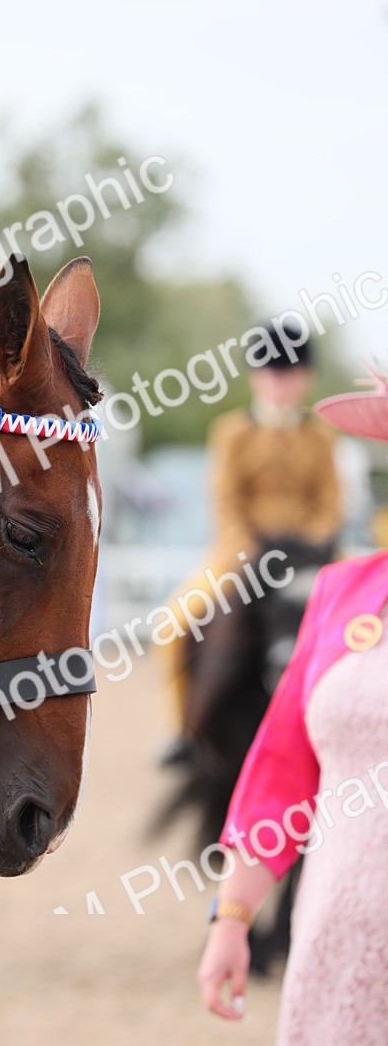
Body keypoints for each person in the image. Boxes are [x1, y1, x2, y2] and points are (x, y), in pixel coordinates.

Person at [197, 362, 388, 1046]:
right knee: (189, 620)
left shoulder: (312, 448)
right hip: (338, 944)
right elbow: (282, 766)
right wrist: (232, 920)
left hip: (309, 538)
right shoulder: (347, 593)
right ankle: (189, 726)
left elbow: (326, 505)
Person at [160, 324, 341, 763]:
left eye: (290, 373)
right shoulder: (232, 433)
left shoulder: (322, 436)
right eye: (273, 373)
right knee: (173, 624)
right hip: (244, 551)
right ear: (256, 377)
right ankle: (184, 729)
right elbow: (227, 500)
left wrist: (311, 543)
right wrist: (253, 548)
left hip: (309, 553)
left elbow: (330, 501)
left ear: (305, 378)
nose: (281, 383)